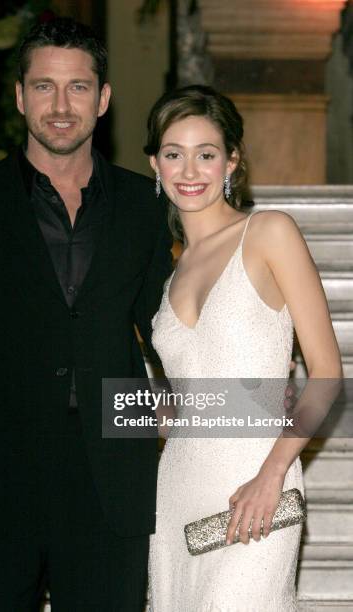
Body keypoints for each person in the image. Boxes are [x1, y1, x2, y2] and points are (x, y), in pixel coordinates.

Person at [0, 18, 173, 611]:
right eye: (43, 87)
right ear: (19, 95)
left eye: (78, 87)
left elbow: (171, 342)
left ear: (104, 98)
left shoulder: (144, 204)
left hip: (114, 490)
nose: (61, 106)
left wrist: (251, 415)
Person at [145, 85, 342, 611]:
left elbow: (325, 374)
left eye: (206, 154)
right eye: (173, 154)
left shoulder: (269, 232)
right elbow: (188, 406)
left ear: (231, 161)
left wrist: (271, 473)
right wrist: (100, 408)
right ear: (154, 165)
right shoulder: (170, 274)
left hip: (258, 486)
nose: (189, 170)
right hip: (178, 493)